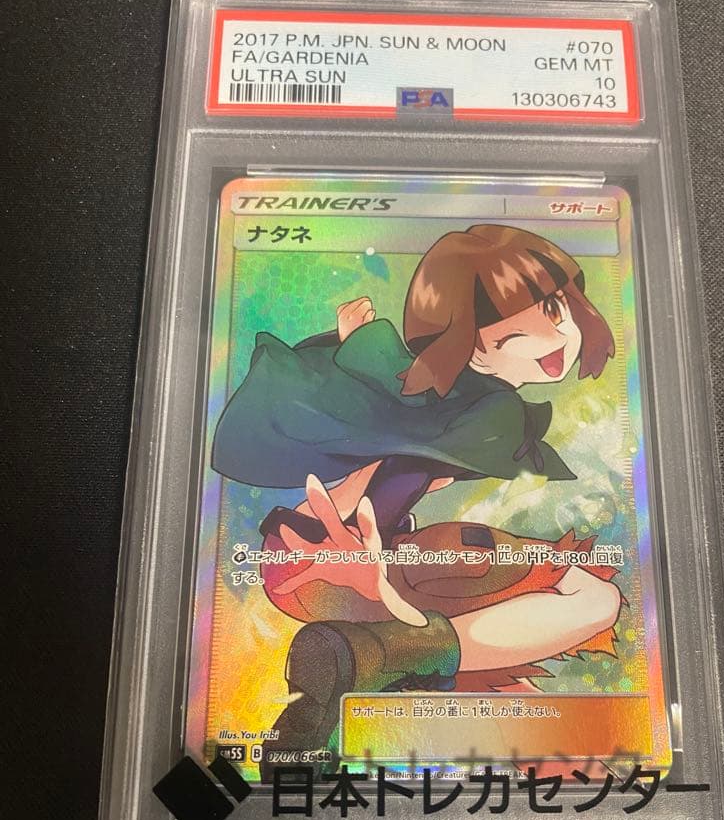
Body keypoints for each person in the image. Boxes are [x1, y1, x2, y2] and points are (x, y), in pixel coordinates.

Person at [212, 225, 622, 762]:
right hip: (323, 555)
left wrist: (355, 349)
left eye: (556, 310)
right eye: (510, 334)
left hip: (343, 555)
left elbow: (390, 409)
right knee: (593, 598)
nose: (556, 338)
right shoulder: (487, 409)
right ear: (462, 336)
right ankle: (386, 655)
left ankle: (370, 667)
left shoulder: (455, 397)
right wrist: (357, 350)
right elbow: (390, 422)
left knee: (568, 609)